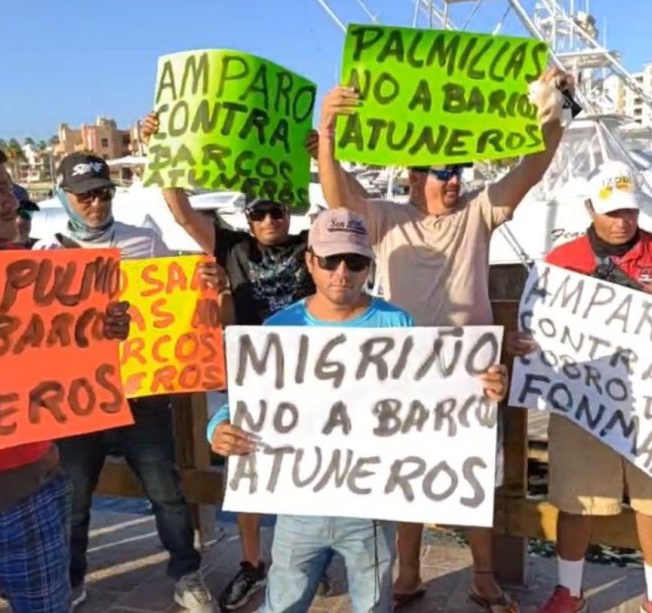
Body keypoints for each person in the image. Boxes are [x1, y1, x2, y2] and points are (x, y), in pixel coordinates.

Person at [317, 67, 576, 612]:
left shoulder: (479, 211)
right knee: (407, 479)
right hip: (405, 372)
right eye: (441, 171)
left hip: (471, 373)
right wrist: (330, 131)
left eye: (457, 169)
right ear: (414, 177)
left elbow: (533, 167)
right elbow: (338, 196)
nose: (454, 179)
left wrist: (557, 107)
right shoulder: (385, 217)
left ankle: (483, 577)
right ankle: (407, 574)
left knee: (472, 477)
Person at [207, 208, 510, 613]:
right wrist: (217, 426)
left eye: (356, 261)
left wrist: (484, 387)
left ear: (369, 265)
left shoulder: (397, 322)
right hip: (299, 505)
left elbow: (434, 395)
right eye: (330, 260)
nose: (342, 272)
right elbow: (247, 400)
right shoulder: (280, 326)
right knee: (283, 602)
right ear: (310, 261)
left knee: (371, 605)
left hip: (371, 508)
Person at [139, 114, 367, 610]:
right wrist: (161, 146)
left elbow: (346, 212)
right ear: (247, 218)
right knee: (246, 467)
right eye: (260, 213)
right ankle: (251, 563)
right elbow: (180, 212)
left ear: (290, 212)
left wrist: (320, 156)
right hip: (252, 372)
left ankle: (314, 556)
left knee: (314, 460)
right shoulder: (230, 247)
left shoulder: (313, 247)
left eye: (278, 212)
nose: (270, 221)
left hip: (313, 372)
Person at [0, 135, 130, 613]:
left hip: (32, 493)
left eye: (10, 187)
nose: (13, 201)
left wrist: (101, 329)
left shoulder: (43, 277)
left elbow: (61, 367)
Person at [507, 160, 652, 613]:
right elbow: (536, 321)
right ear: (590, 208)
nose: (622, 221)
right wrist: (526, 341)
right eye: (611, 211)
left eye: (629, 211)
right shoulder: (562, 260)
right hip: (586, 399)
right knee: (576, 499)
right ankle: (569, 590)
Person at [35, 153, 214, 612]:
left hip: (141, 395)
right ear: (64, 198)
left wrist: (207, 277)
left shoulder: (145, 242)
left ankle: (186, 573)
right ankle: (71, 580)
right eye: (85, 195)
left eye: (104, 192)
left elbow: (180, 295)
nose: (96, 202)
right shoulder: (43, 257)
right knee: (72, 504)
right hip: (75, 401)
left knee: (167, 493)